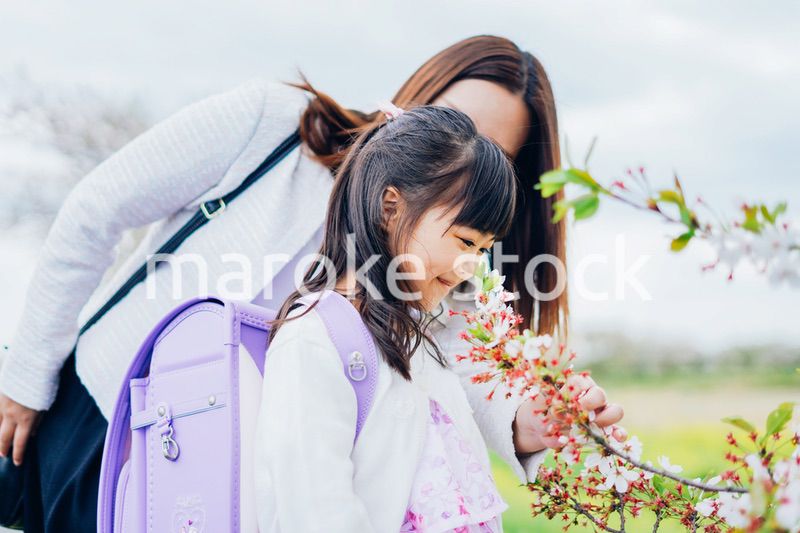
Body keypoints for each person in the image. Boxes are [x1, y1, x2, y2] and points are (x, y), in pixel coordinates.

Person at [0, 35, 624, 531]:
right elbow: (96, 210)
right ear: (412, 102)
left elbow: (466, 366)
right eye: (451, 121)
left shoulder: (440, 267)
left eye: (494, 155)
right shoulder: (271, 124)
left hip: (227, 485)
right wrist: (26, 378)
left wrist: (525, 423)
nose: (467, 162)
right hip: (104, 412)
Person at [257, 103, 519, 531]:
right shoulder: (313, 340)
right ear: (390, 208)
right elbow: (318, 515)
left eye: (482, 250)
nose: (470, 267)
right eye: (464, 241)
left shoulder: (418, 344)